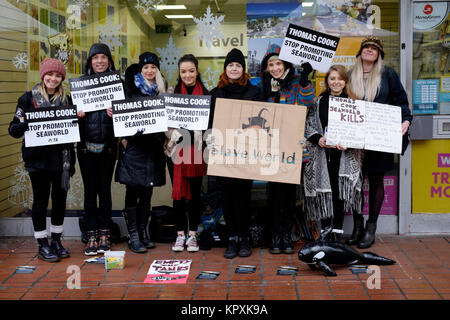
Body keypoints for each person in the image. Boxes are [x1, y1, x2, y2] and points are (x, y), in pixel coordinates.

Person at [347, 36, 412, 248]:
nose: (369, 50)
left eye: (374, 48)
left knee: (376, 181)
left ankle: (370, 228)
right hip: (355, 139)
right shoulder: (350, 75)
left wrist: (405, 120)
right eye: (366, 47)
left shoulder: (387, 74)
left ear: (379, 54)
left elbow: (401, 100)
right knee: (354, 183)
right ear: (360, 52)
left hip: (379, 138)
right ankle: (357, 226)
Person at [9, 58, 75, 262]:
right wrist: (26, 122)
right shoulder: (27, 100)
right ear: (43, 76)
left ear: (62, 78)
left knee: (59, 201)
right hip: (37, 161)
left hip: (61, 162)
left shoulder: (68, 101)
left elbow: (74, 132)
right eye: (50, 75)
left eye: (57, 76)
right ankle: (42, 243)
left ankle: (56, 239)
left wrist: (78, 119)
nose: (53, 79)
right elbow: (13, 130)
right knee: (40, 200)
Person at [259, 44, 315, 254]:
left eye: (278, 63)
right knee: (274, 195)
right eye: (271, 64)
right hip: (272, 149)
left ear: (285, 64)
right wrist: (274, 92)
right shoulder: (264, 86)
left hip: (292, 148)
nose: (275, 68)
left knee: (289, 195)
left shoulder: (295, 84)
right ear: (266, 68)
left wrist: (305, 81)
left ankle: (286, 234)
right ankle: (275, 235)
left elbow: (308, 104)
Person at [208, 48, 261, 259]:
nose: (234, 68)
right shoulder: (215, 93)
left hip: (246, 154)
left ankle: (244, 237)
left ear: (243, 69)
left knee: (243, 198)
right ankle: (232, 238)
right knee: (227, 197)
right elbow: (209, 124)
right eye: (230, 65)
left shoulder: (254, 93)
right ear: (225, 69)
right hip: (223, 154)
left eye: (238, 65)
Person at [304, 65, 364, 242]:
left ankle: (337, 231)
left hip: (344, 155)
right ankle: (325, 231)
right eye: (332, 79)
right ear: (327, 82)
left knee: (339, 193)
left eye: (340, 78)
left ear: (345, 81)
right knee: (325, 192)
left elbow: (361, 131)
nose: (336, 82)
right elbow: (309, 125)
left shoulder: (353, 103)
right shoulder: (318, 101)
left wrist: (349, 142)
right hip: (323, 156)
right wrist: (317, 138)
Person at [115, 52, 167, 253]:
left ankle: (144, 233)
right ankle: (133, 235)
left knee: (147, 191)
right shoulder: (130, 88)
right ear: (141, 69)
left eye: (153, 67)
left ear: (157, 70)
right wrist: (126, 140)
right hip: (135, 147)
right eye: (146, 67)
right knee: (132, 191)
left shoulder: (162, 90)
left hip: (154, 147)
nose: (150, 71)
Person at [78, 43, 119, 255]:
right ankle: (91, 233)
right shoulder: (80, 85)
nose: (100, 61)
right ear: (90, 61)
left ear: (109, 61)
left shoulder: (117, 85)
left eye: (104, 57)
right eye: (96, 58)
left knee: (104, 191)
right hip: (85, 148)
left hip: (109, 147)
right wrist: (77, 115)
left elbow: (129, 116)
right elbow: (69, 122)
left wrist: (118, 112)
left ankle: (105, 233)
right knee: (89, 191)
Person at [167, 54, 209, 253]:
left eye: (191, 71)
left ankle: (192, 235)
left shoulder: (206, 95)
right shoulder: (172, 93)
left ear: (197, 71)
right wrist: (176, 134)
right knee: (177, 197)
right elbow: (164, 124)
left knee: (194, 196)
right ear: (179, 73)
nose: (188, 75)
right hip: (176, 151)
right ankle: (179, 234)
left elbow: (211, 125)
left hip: (198, 153)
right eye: (183, 71)